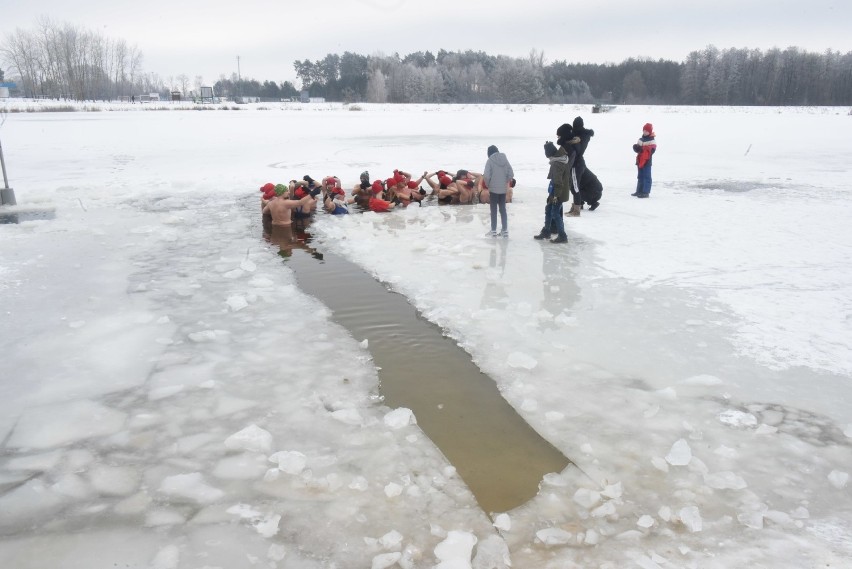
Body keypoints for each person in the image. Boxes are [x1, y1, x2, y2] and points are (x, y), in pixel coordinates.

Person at [534, 126, 576, 243]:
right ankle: (547, 231)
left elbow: (558, 181)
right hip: (556, 190)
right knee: (549, 209)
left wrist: (556, 196)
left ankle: (562, 235)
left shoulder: (557, 163)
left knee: (555, 212)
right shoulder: (558, 158)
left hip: (559, 191)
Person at [483, 145, 514, 237]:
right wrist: (505, 181)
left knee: (493, 210)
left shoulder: (489, 161)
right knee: (503, 209)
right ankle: (505, 230)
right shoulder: (505, 159)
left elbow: (486, 175)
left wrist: (488, 184)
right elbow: (511, 173)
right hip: (503, 189)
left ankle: (493, 230)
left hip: (493, 189)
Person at [568, 116, 594, 214]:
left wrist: (573, 141)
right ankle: (576, 206)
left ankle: (576, 210)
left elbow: (579, 151)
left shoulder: (581, 137)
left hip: (576, 163)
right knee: (575, 186)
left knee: (575, 187)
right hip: (577, 163)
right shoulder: (583, 135)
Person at [632, 123, 657, 198]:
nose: (645, 132)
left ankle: (645, 192)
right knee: (640, 176)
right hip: (639, 161)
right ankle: (639, 190)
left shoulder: (652, 141)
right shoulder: (640, 139)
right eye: (644, 130)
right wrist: (636, 148)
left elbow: (652, 150)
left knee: (647, 176)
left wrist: (642, 149)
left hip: (647, 161)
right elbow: (638, 149)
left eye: (647, 131)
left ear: (650, 132)